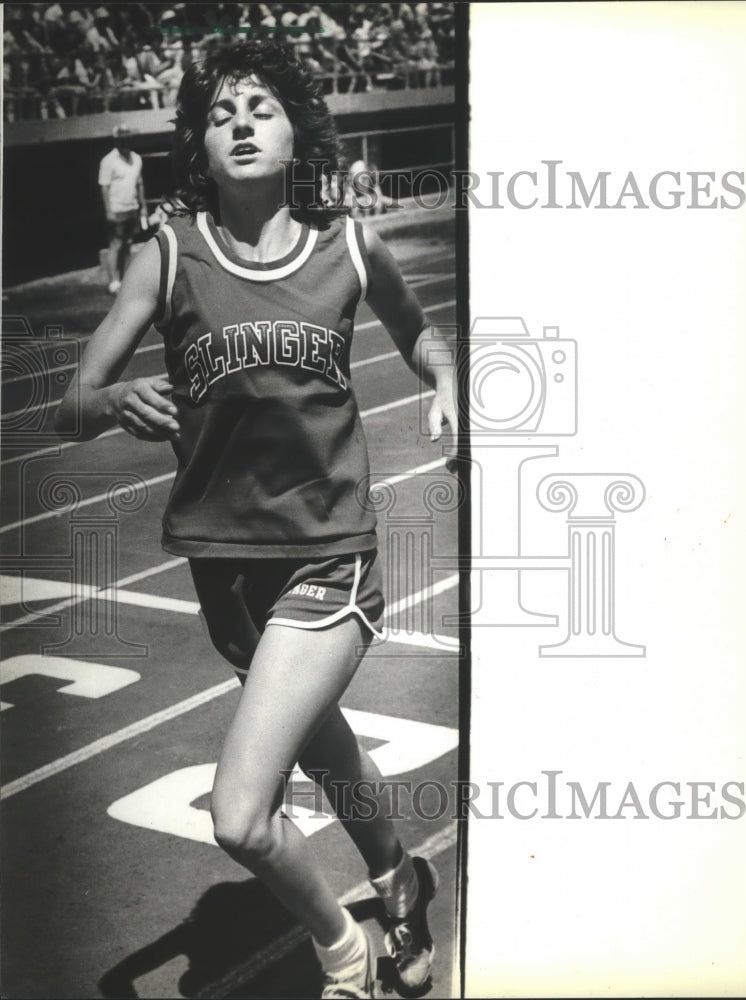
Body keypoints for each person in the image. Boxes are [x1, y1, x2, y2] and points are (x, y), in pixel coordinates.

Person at [56, 39, 456, 1000]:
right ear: (198, 142)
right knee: (324, 745)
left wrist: (444, 381)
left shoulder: (348, 247)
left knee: (240, 816)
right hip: (222, 568)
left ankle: (345, 957)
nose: (240, 124)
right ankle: (398, 879)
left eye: (261, 108)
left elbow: (418, 332)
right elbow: (69, 405)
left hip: (327, 554)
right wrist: (110, 400)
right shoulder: (166, 254)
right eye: (221, 113)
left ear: (295, 134)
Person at [98, 123, 148, 294]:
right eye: (122, 139)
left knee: (128, 243)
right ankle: (113, 281)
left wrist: (143, 207)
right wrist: (109, 211)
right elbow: (104, 187)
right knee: (116, 244)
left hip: (132, 208)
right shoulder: (108, 161)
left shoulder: (137, 159)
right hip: (116, 209)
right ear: (116, 141)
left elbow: (140, 184)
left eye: (128, 139)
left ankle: (125, 279)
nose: (125, 142)